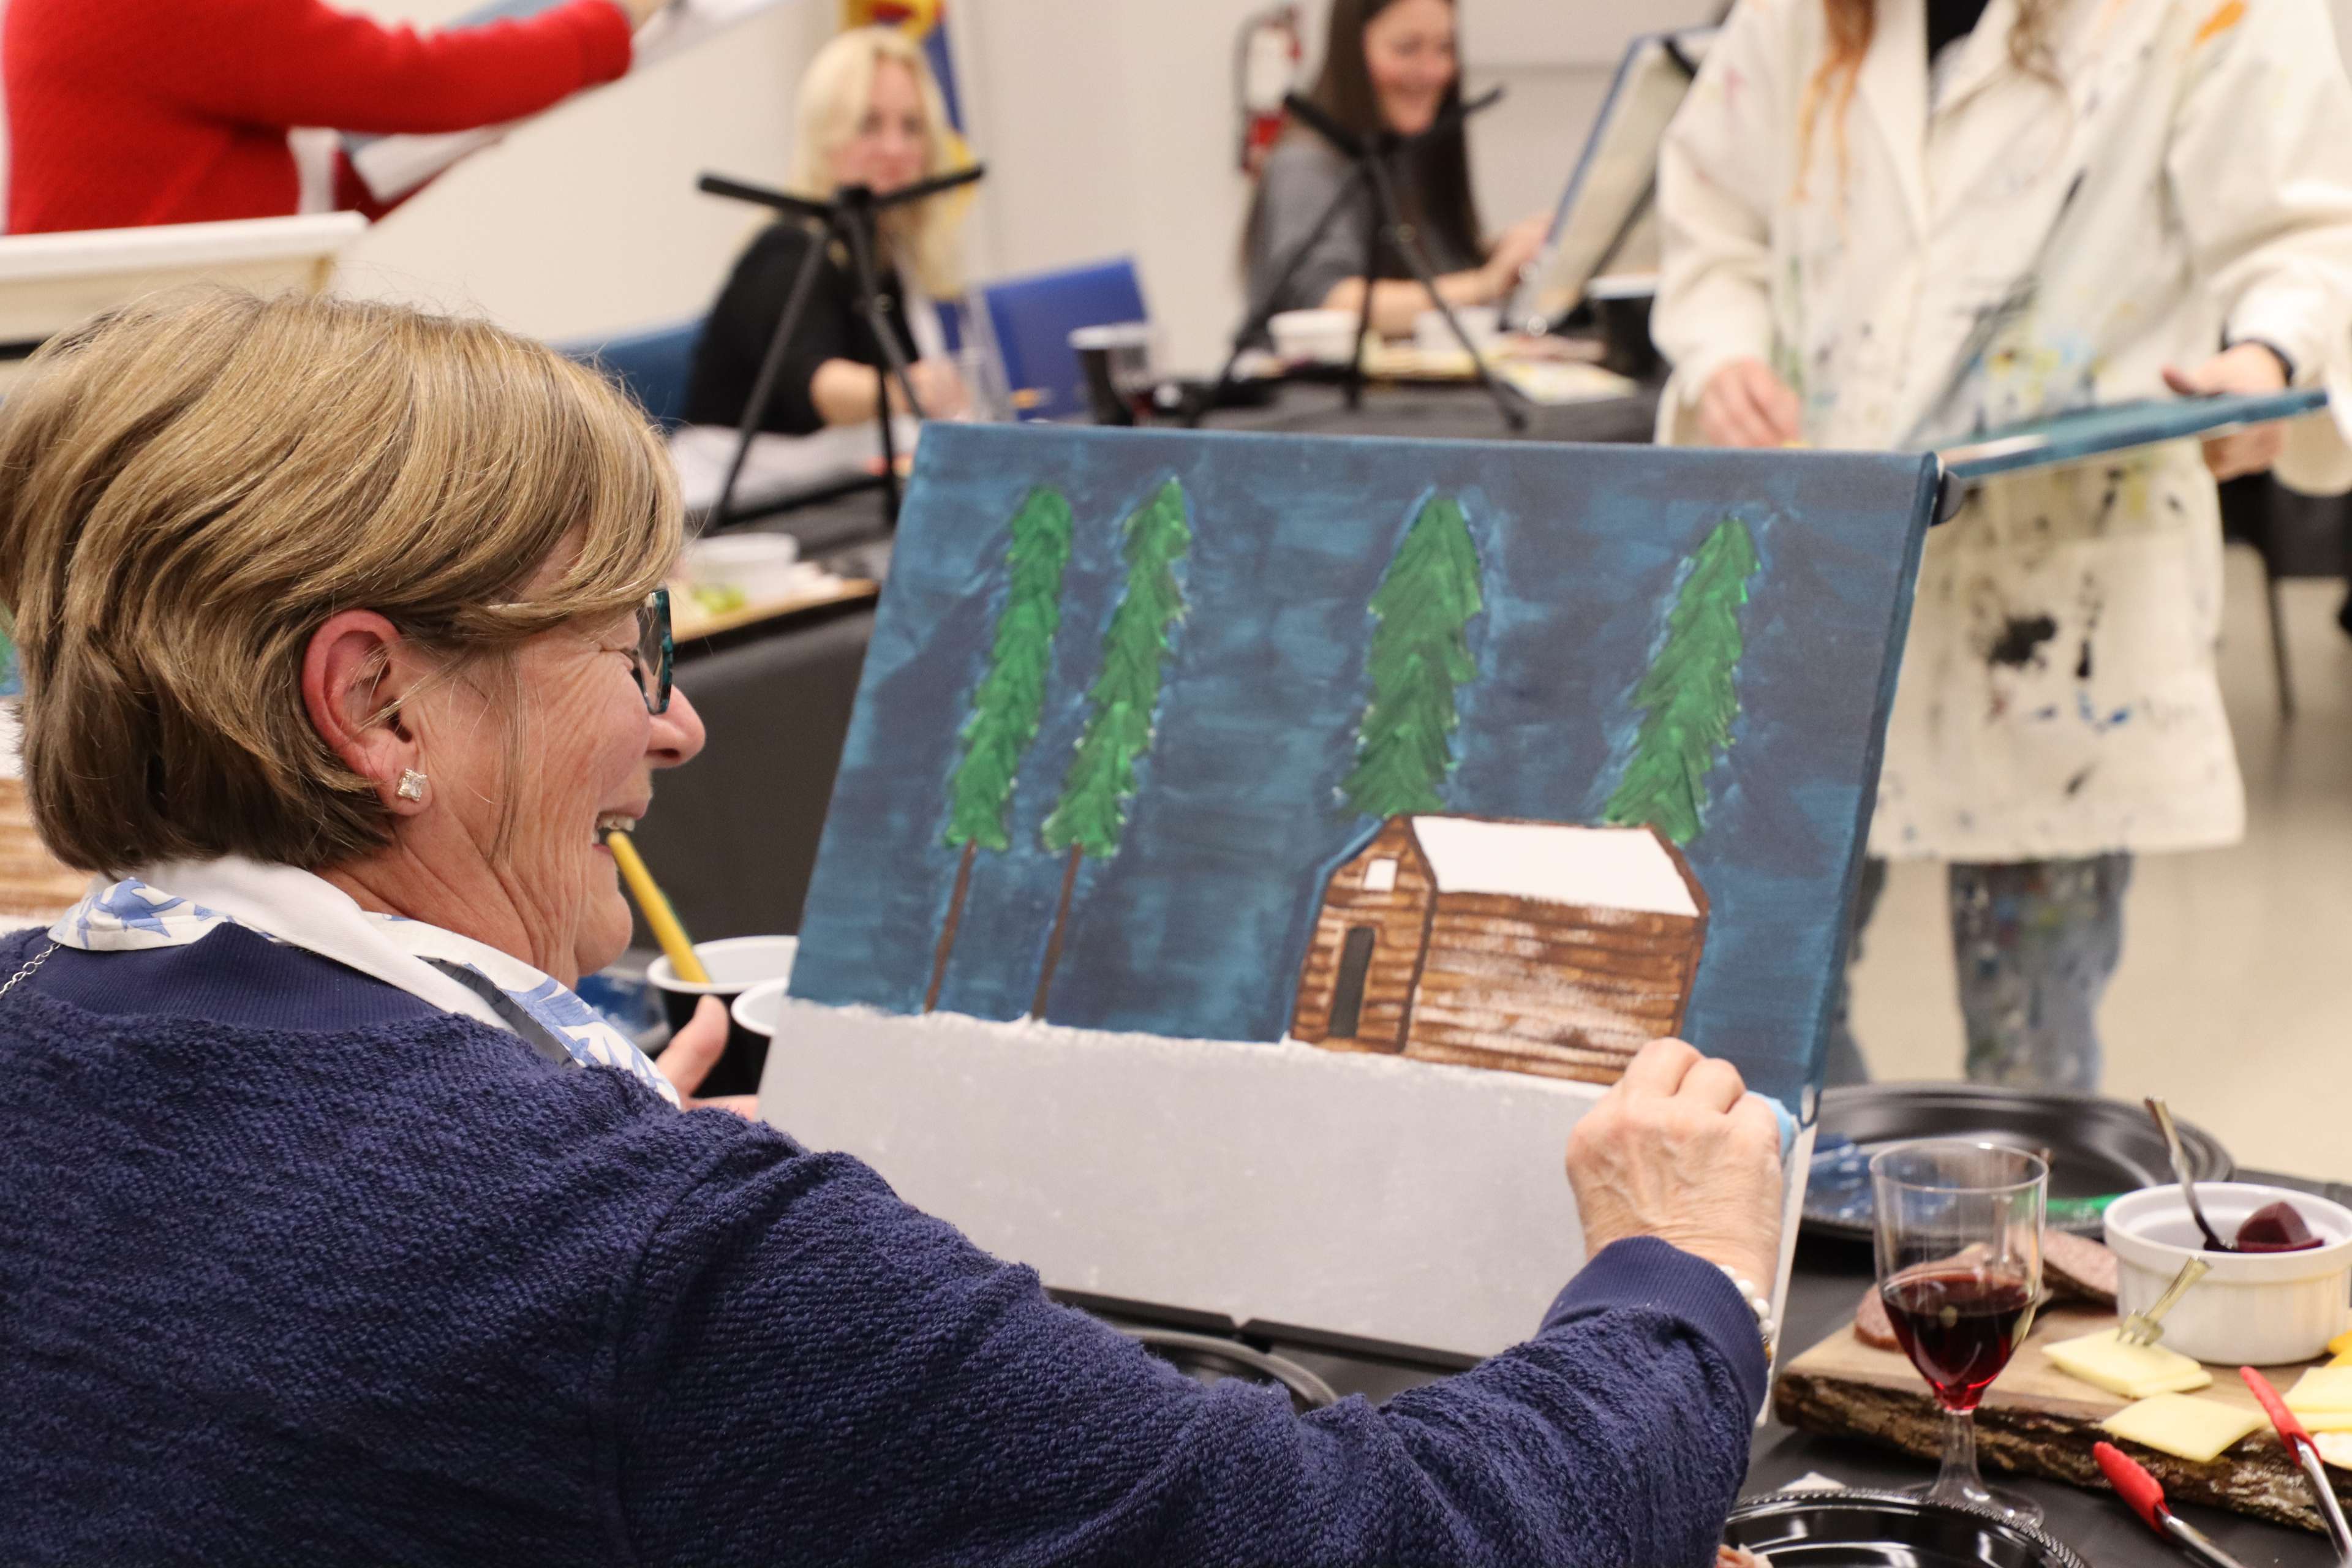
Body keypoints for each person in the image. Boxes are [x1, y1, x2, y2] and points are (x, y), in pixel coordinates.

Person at [0, 287, 1787, 1566]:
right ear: (374, 704)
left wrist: (580, 1211)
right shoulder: (630, 1245)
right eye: (632, 642)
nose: (676, 725)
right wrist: (1672, 1274)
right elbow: (1377, 1536)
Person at [1654, 0, 2352, 1090]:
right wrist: (1722, 355)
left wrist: (2267, 356)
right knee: (1772, 1013)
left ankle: (2014, 1211)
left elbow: (2303, 227)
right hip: (1826, 561)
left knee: (2032, 1041)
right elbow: (1715, 216)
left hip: (2060, 594)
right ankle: (1829, 1200)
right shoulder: (1800, 18)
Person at [2, 0, 668, 235]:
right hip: (169, 369)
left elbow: (338, 187)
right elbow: (421, 84)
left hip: (144, 351)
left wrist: (469, 126)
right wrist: (608, 20)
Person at [684, 26, 971, 436]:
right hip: (754, 474)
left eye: (912, 127)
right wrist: (905, 390)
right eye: (869, 124)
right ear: (825, 134)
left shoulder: (885, 250)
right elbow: (816, 382)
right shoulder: (785, 250)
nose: (895, 148)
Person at [1243, 0, 1549, 339]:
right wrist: (1484, 284)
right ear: (1351, 51)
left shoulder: (1403, 150)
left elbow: (1415, 266)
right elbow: (1329, 302)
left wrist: (1504, 253)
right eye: (1407, 49)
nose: (1433, 71)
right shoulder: (1306, 163)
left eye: (1444, 48)